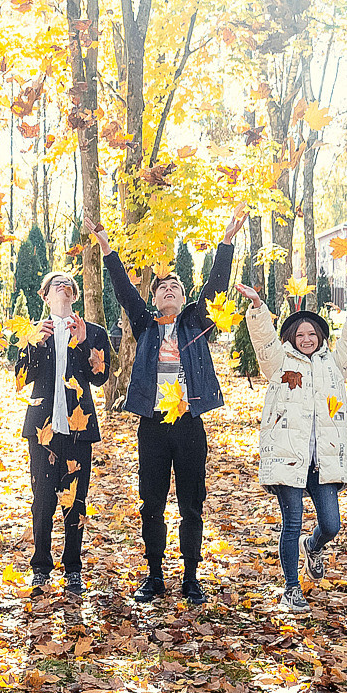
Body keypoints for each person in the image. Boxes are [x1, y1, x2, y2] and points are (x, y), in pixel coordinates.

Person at [92, 206, 246, 606]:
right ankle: (155, 574)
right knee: (152, 503)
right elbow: (124, 289)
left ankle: (191, 577)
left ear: (184, 296)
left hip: (189, 425)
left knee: (192, 503)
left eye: (176, 287)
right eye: (162, 288)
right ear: (155, 299)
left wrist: (225, 242)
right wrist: (107, 247)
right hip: (154, 427)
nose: (170, 291)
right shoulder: (145, 324)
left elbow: (215, 287)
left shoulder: (196, 321)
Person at [238, 262, 347, 612]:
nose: (306, 339)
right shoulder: (279, 364)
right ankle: (290, 588)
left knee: (331, 524)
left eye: (311, 334)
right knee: (292, 520)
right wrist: (258, 308)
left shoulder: (335, 363)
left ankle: (312, 546)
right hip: (289, 457)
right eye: (299, 335)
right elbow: (264, 341)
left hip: (323, 460)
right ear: (291, 339)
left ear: (320, 336)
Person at [15, 269, 111, 596]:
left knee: (75, 502)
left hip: (78, 433)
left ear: (74, 294)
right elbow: (21, 376)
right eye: (57, 284)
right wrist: (35, 344)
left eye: (69, 285)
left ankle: (73, 569)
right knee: (42, 502)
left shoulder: (93, 332)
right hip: (42, 432)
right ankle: (41, 567)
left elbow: (100, 378)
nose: (64, 288)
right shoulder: (31, 333)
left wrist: (84, 344)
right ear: (45, 296)